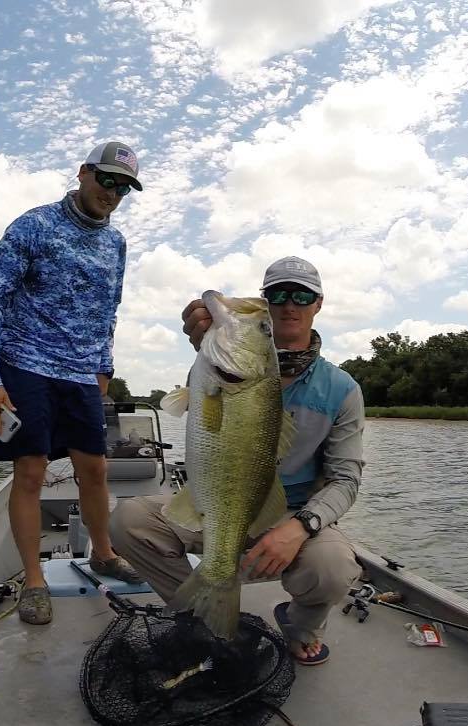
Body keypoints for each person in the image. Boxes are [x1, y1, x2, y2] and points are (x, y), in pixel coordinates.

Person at [109, 256, 364, 664]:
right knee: (128, 521)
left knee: (333, 568)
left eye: (302, 295)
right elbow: (190, 407)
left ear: (319, 304)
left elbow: (346, 479)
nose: (289, 304)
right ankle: (200, 613)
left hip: (289, 515)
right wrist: (204, 345)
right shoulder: (215, 368)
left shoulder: (343, 389)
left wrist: (299, 527)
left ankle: (300, 624)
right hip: (218, 505)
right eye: (277, 295)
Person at [0, 141, 146, 626]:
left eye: (124, 187)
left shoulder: (116, 244)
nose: (113, 193)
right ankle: (33, 579)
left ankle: (102, 554)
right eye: (107, 180)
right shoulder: (34, 224)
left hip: (80, 372)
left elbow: (109, 309)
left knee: (95, 469)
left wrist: (104, 365)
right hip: (24, 364)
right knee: (31, 471)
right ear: (84, 172)